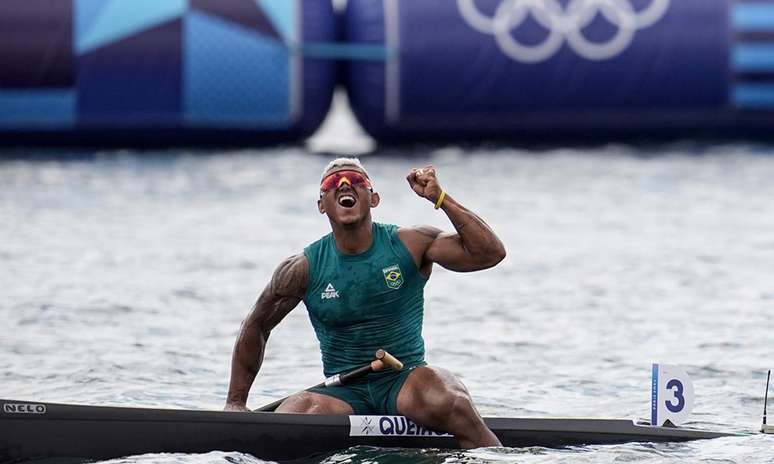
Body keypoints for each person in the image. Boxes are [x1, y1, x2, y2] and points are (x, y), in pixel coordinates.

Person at [224, 157, 506, 448]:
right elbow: (256, 325)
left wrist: (440, 198)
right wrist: (235, 402)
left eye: (356, 181)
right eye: (333, 183)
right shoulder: (302, 269)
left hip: (404, 382)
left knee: (449, 400)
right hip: (343, 393)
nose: (344, 184)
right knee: (291, 418)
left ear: (373, 199)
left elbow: (489, 253)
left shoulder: (411, 243)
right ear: (322, 205)